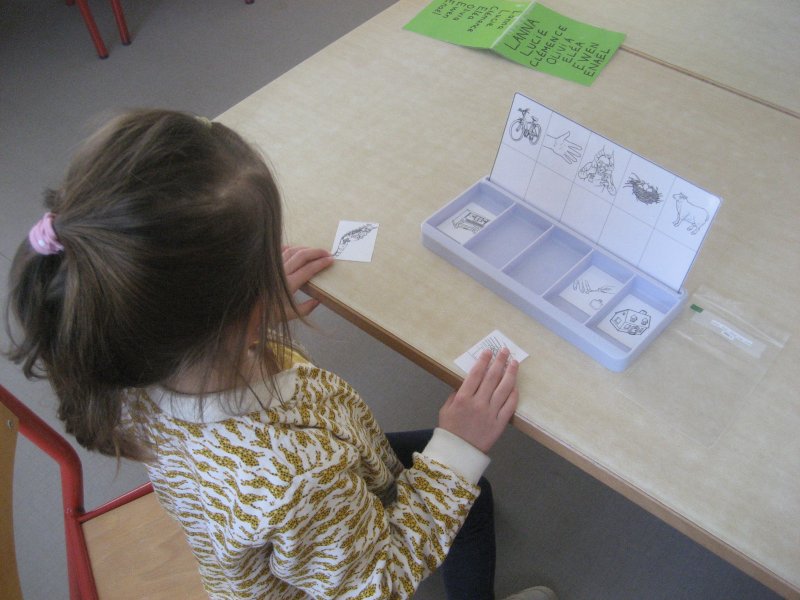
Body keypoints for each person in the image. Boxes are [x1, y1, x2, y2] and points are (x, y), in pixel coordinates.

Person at [6, 109, 556, 600]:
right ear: (231, 311)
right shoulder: (299, 479)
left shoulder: (127, 358)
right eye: (264, 259)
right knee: (470, 493)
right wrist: (458, 450)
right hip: (316, 520)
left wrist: (248, 315)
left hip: (295, 492)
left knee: (463, 492)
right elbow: (379, 583)